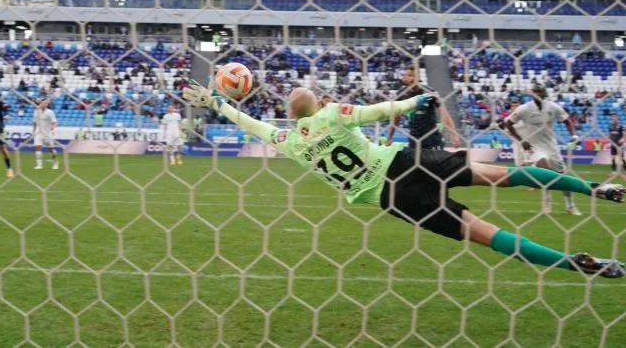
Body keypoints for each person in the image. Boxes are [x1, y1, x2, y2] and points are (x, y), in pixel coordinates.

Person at [182, 81, 626, 279]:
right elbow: (378, 112)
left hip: (390, 197)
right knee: (502, 175)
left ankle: (573, 263)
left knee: (485, 234)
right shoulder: (333, 114)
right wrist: (418, 102)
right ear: (317, 104)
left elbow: (251, 125)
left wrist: (217, 104)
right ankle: (595, 188)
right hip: (405, 162)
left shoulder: (288, 140)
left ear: (290, 114)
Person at [504, 83, 582, 216]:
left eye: (540, 91)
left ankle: (570, 205)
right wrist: (522, 141)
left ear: (545, 93)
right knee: (544, 169)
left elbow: (567, 121)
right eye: (535, 91)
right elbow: (508, 123)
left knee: (562, 176)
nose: (538, 94)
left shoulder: (553, 107)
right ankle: (546, 205)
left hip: (551, 146)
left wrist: (574, 135)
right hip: (535, 147)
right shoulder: (524, 109)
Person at [388, 66, 460, 150]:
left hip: (431, 136)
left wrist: (453, 134)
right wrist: (390, 137)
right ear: (405, 78)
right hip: (414, 136)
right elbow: (396, 118)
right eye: (410, 75)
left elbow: (444, 113)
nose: (412, 78)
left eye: (414, 76)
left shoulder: (429, 92)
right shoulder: (400, 94)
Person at [33, 99, 59, 170]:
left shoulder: (50, 112)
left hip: (47, 133)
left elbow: (55, 122)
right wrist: (34, 131)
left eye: (46, 103)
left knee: (51, 149)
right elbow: (34, 122)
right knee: (38, 147)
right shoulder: (36, 112)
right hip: (38, 132)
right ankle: (39, 165)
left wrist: (53, 127)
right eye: (43, 103)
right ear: (40, 103)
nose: (45, 104)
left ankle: (55, 162)